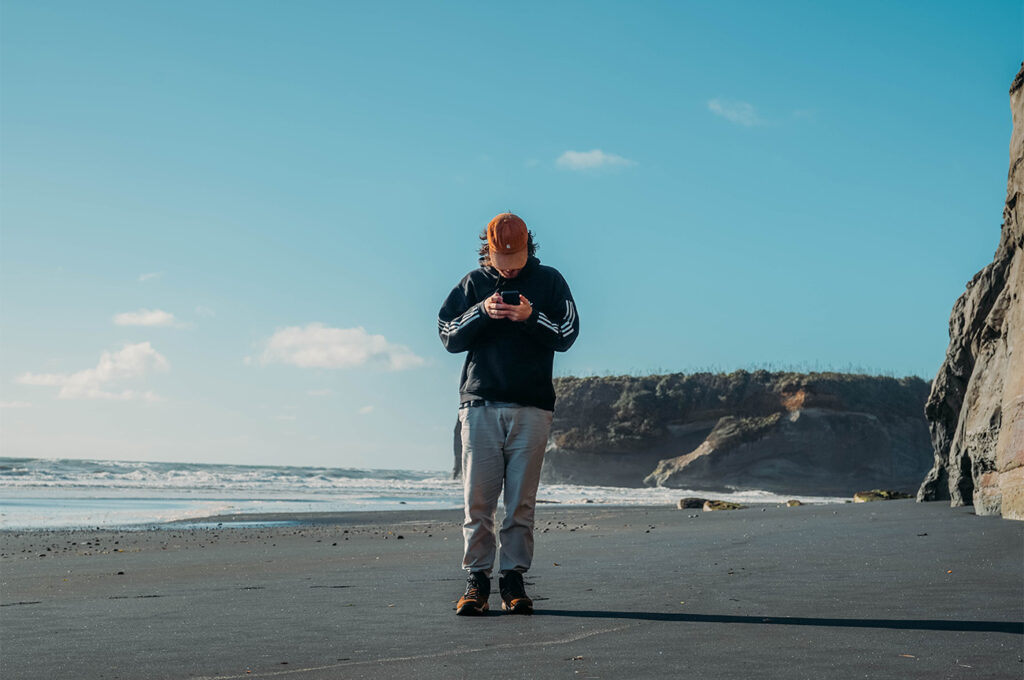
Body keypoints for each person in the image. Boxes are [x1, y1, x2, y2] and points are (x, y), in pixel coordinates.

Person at [438, 212, 579, 616]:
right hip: (479, 404)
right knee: (477, 504)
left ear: (528, 248)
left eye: (517, 258)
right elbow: (447, 334)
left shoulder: (549, 280)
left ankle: (513, 581)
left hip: (533, 406)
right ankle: (476, 582)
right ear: (490, 251)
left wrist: (531, 317)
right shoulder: (473, 284)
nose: (511, 267)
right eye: (504, 260)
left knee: (520, 504)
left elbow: (568, 334)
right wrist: (482, 311)